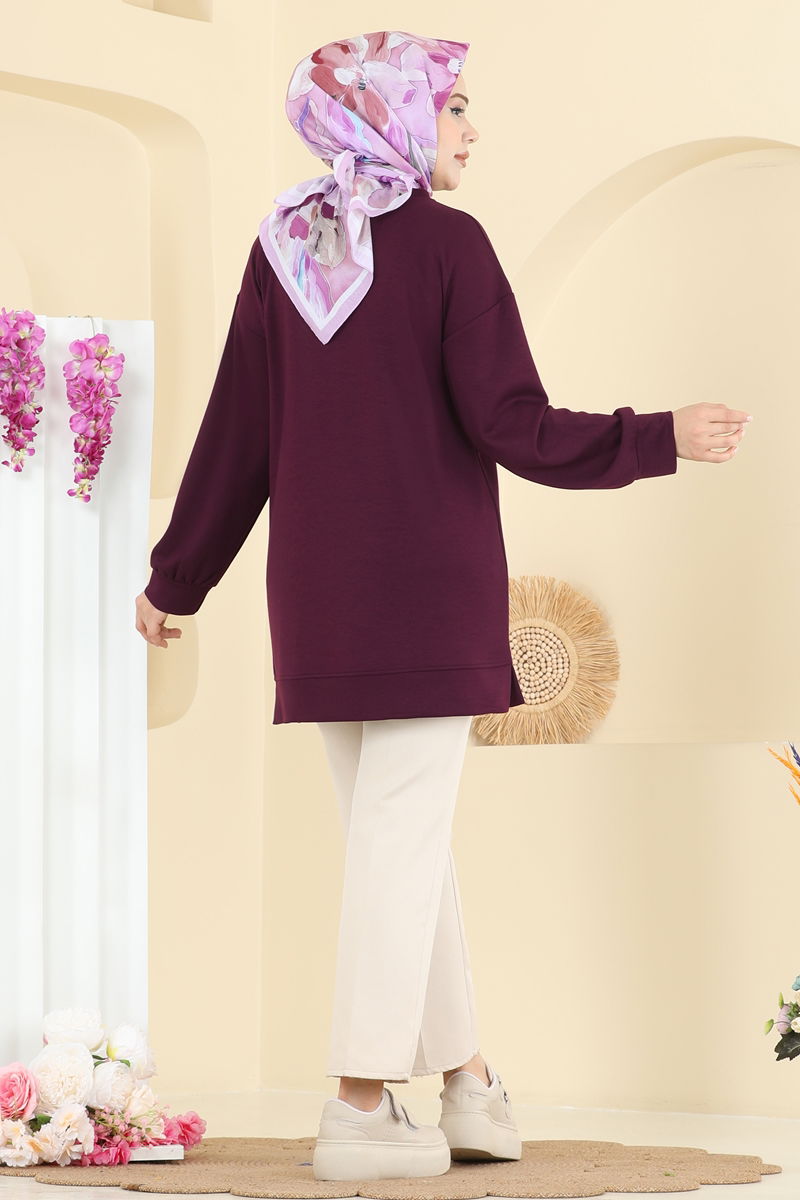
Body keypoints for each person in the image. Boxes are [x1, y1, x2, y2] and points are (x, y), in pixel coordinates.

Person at [134, 31, 752, 1182]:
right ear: (393, 116)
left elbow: (236, 436)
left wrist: (177, 578)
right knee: (397, 849)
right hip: (424, 600)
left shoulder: (287, 247)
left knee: (399, 850)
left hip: (318, 610)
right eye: (452, 105)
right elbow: (513, 424)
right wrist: (656, 436)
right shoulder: (449, 247)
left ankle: (466, 1084)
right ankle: (358, 1107)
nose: (470, 127)